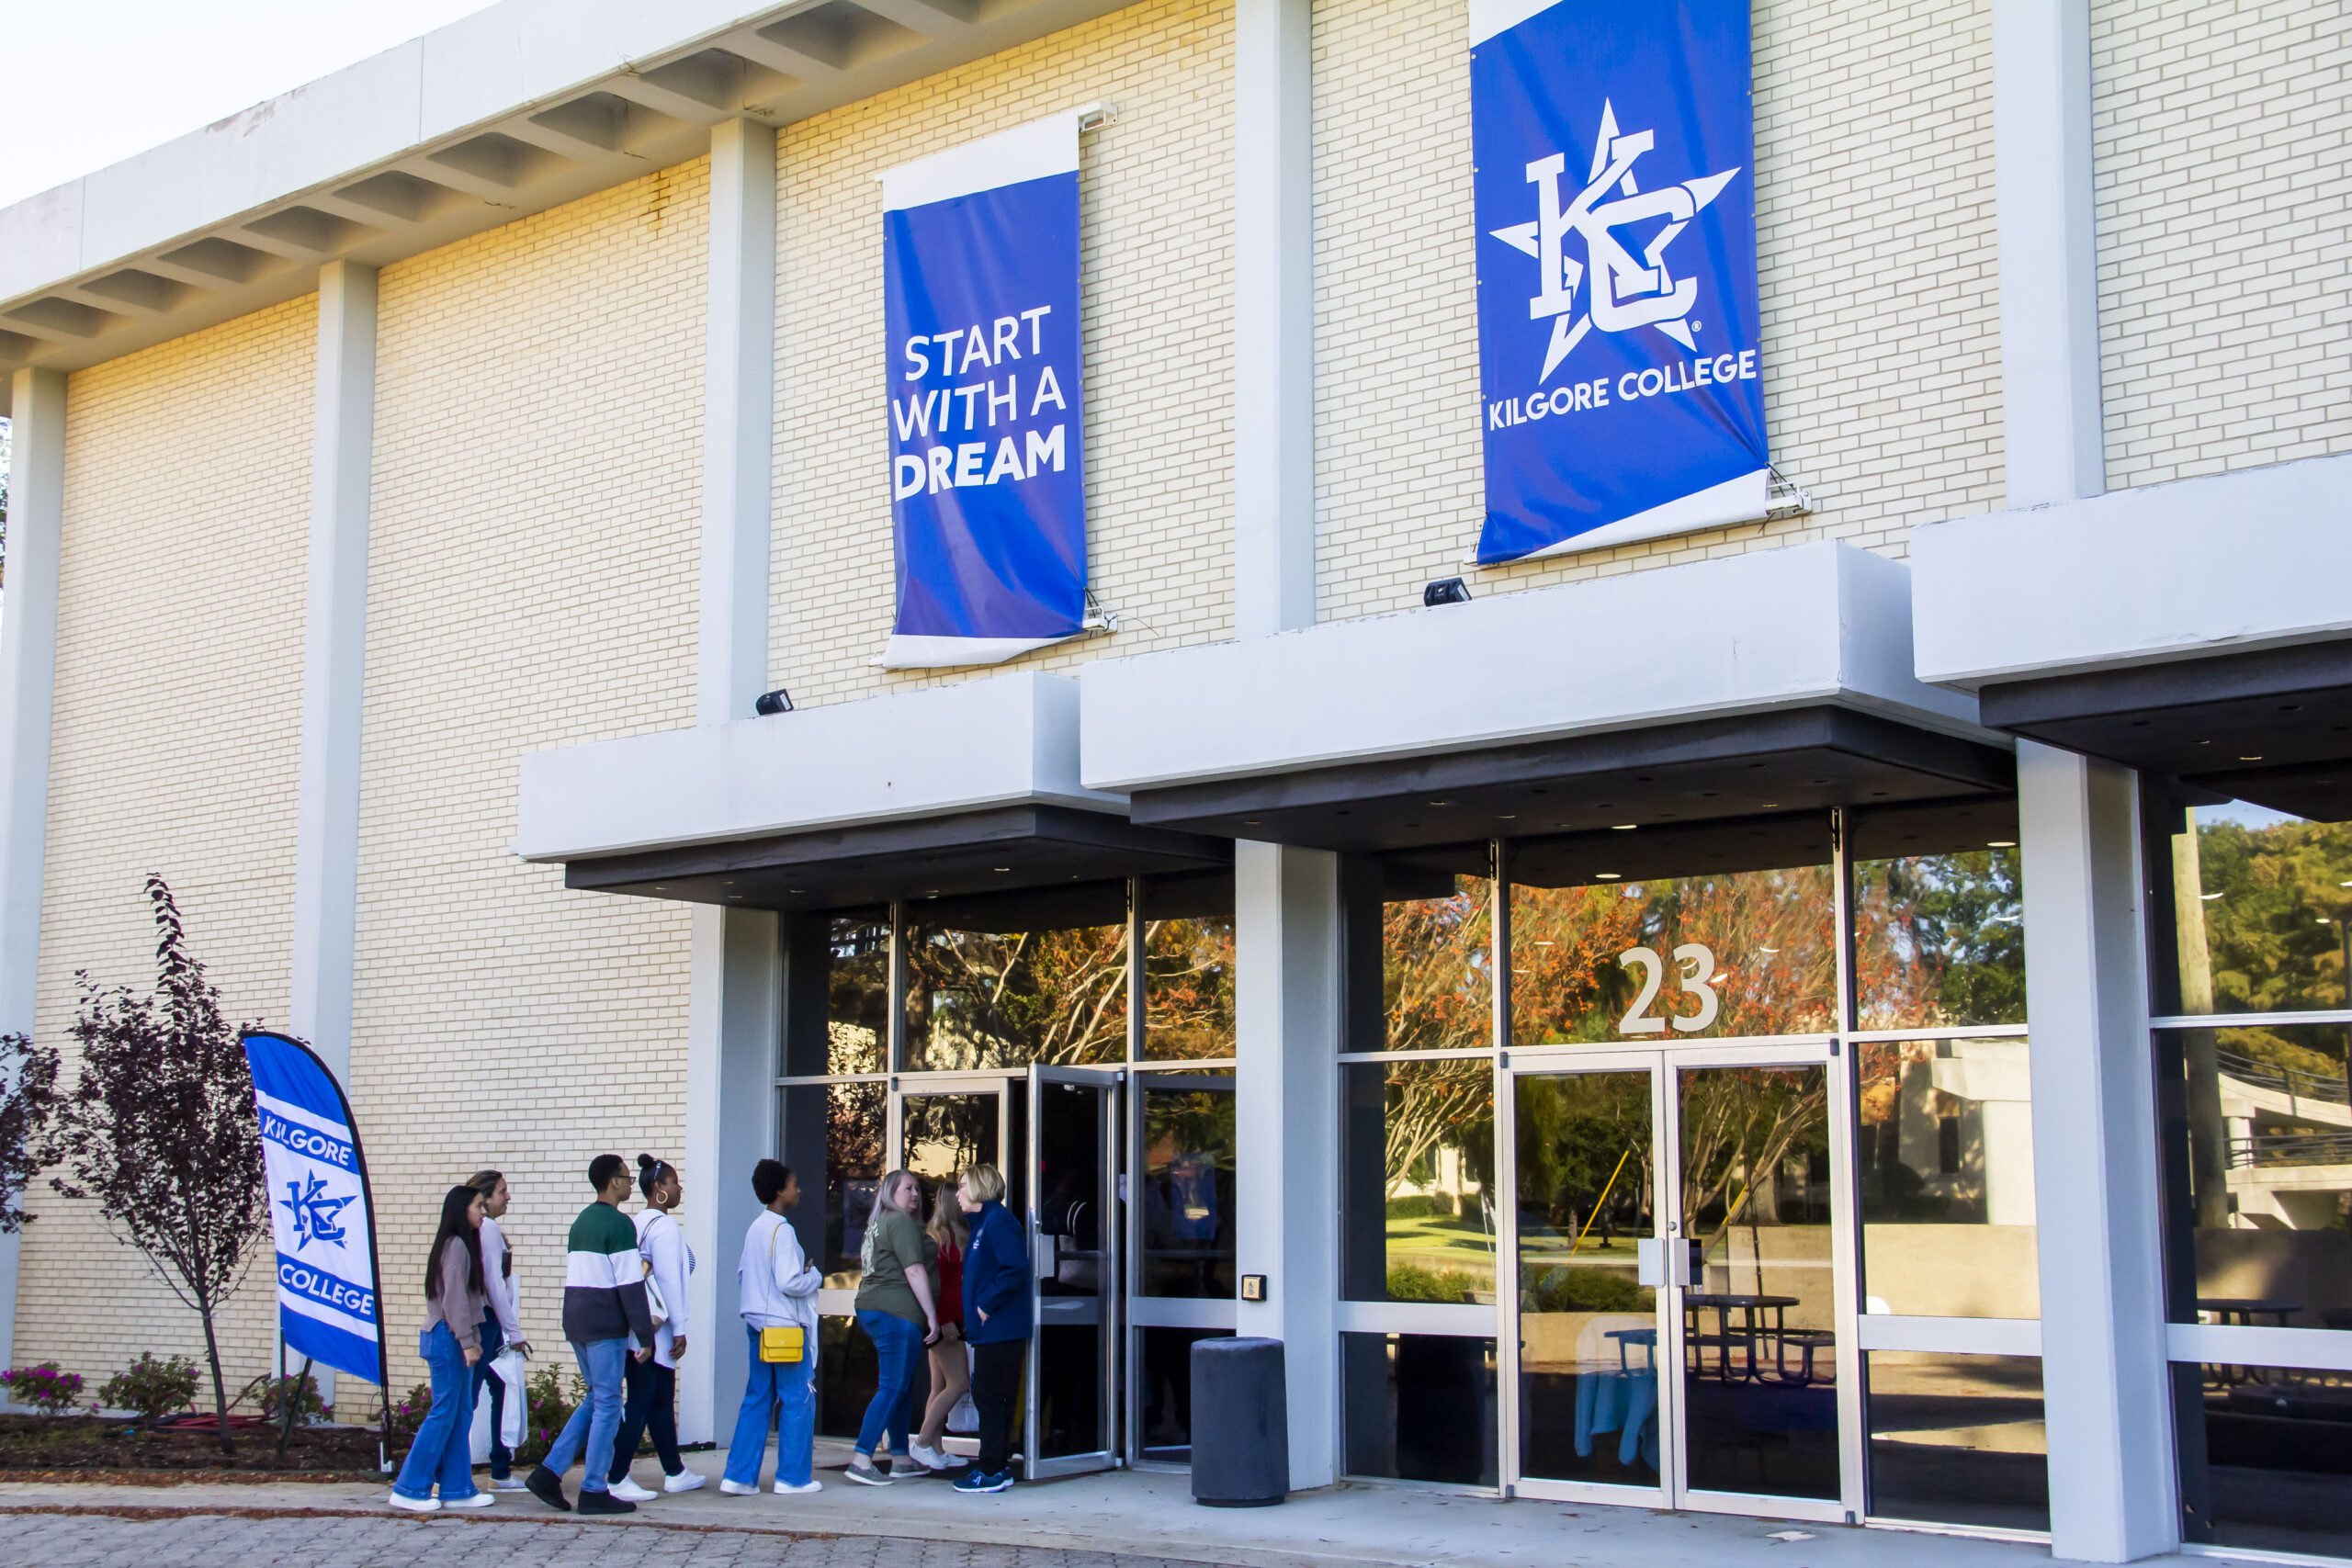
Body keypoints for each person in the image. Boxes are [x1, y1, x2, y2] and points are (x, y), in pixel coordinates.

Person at [526, 1154, 656, 1515]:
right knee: (610, 1404)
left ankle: (549, 1471)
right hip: (605, 1325)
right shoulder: (619, 1225)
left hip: (577, 1321)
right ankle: (594, 1488)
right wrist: (645, 1336)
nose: (631, 1184)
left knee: (597, 1399)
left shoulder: (581, 1221)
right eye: (627, 1178)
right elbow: (630, 1284)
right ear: (613, 1182)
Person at [390, 1185, 496, 1513]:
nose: (484, 1210)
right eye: (479, 1205)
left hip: (454, 1338)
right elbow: (453, 1300)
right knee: (445, 1412)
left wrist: (472, 1338)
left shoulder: (461, 1245)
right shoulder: (456, 1247)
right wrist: (468, 1342)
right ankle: (409, 1487)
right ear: (462, 1209)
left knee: (461, 1413)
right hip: (446, 1338)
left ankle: (457, 1487)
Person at [722, 1157, 823, 1496]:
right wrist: (813, 1276)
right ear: (780, 1191)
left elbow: (744, 1274)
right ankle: (792, 1478)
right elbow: (790, 1281)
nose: (799, 1190)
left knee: (757, 1398)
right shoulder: (782, 1229)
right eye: (794, 1184)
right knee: (798, 1397)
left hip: (756, 1324)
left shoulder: (756, 1228)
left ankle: (738, 1476)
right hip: (784, 1327)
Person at [607, 1155, 704, 1499]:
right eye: (674, 1183)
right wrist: (680, 1327)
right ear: (658, 1189)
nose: (680, 1188)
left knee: (659, 1398)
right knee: (643, 1400)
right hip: (656, 1330)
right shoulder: (663, 1227)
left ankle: (675, 1471)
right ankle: (617, 1477)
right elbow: (668, 1280)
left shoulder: (637, 1224)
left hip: (640, 1325)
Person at [846, 1168, 940, 1485]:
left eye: (917, 1188)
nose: (914, 1193)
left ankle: (901, 1456)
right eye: (907, 1188)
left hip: (877, 1309)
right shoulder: (898, 1221)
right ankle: (861, 1458)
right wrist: (932, 1315)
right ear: (889, 1192)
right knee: (892, 1386)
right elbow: (914, 1271)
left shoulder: (879, 1223)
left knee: (901, 1387)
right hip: (895, 1312)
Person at [952, 1163, 1032, 1495]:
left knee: (991, 1396)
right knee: (990, 1397)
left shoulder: (997, 1221)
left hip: (1000, 1328)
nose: (957, 1194)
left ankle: (991, 1470)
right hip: (990, 1330)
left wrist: (986, 1305)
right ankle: (997, 1465)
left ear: (979, 1187)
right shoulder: (982, 1224)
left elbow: (1014, 1269)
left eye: (961, 1186)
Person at [467, 1169, 530, 1492]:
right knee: (475, 1392)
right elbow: (494, 1284)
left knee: (489, 1389)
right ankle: (489, 1470)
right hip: (488, 1320)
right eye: (503, 1192)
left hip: (484, 1319)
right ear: (486, 1197)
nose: (508, 1197)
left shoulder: (479, 1228)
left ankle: (499, 1467)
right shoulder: (487, 1227)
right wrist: (514, 1332)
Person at [906, 1179, 969, 1472]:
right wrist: (944, 1321)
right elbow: (936, 1285)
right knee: (959, 1383)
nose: (962, 1197)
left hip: (953, 1320)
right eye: (957, 1194)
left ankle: (937, 1448)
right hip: (945, 1323)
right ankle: (920, 1442)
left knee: (939, 1385)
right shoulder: (938, 1238)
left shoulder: (960, 1234)